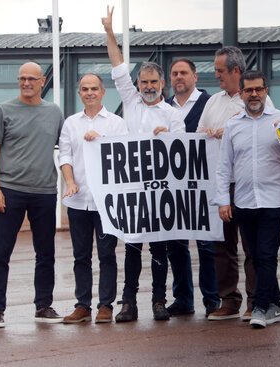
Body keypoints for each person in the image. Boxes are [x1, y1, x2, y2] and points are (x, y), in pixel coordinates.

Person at [102, 6, 185, 321]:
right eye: (144, 82)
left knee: (160, 251)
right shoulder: (131, 102)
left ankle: (159, 302)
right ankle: (128, 303)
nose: (148, 87)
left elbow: (183, 154)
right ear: (137, 85)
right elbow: (117, 64)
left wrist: (169, 139)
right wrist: (110, 31)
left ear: (162, 83)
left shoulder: (173, 115)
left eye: (154, 82)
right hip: (133, 188)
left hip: (161, 190)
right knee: (132, 250)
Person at [0, 61, 65, 328]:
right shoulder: (2, 110)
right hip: (10, 191)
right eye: (22, 78)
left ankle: (43, 306)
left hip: (44, 192)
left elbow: (67, 146)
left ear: (43, 82)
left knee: (46, 253)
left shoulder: (54, 112)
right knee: (1, 253)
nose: (26, 83)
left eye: (32, 79)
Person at [197, 46, 273, 321]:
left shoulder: (258, 100)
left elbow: (271, 132)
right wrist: (205, 132)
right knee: (222, 245)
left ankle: (255, 300)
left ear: (236, 71)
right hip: (219, 182)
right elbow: (197, 135)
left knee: (252, 245)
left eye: (220, 71)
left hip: (247, 183)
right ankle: (229, 300)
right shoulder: (213, 101)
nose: (216, 75)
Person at [214, 70, 280, 328]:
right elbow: (224, 166)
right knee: (256, 255)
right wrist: (223, 200)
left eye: (258, 89)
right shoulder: (233, 125)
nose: (254, 94)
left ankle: (260, 306)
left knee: (267, 254)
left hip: (274, 199)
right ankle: (276, 304)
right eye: (249, 90)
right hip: (244, 201)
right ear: (242, 93)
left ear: (266, 91)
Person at [59, 73, 128, 324]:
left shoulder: (116, 123)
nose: (89, 92)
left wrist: (102, 140)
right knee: (81, 256)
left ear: (103, 92)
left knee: (107, 254)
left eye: (94, 88)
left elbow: (123, 156)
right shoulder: (70, 123)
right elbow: (64, 156)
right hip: (77, 201)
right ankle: (82, 305)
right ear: (79, 93)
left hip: (105, 201)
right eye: (85, 89)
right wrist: (70, 182)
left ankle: (106, 305)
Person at [164, 58, 219, 317]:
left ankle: (212, 298)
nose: (179, 77)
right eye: (174, 73)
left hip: (202, 184)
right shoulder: (163, 107)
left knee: (207, 244)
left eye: (183, 73)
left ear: (195, 76)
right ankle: (183, 298)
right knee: (176, 244)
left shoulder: (210, 103)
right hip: (173, 186)